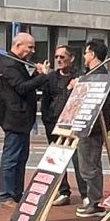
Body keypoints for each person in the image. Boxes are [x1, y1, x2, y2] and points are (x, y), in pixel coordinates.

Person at [0, 32, 49, 205]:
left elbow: (24, 83)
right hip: (14, 118)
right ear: (18, 46)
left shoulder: (17, 64)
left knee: (21, 157)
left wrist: (35, 75)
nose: (32, 51)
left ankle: (17, 192)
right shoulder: (9, 65)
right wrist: (43, 77)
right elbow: (22, 88)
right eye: (30, 47)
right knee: (11, 158)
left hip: (22, 119)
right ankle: (6, 195)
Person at [74, 39, 110, 217]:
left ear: (93, 54)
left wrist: (79, 87)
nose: (84, 56)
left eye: (86, 53)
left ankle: (95, 203)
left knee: (89, 165)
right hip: (88, 125)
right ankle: (94, 200)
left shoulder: (98, 76)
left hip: (91, 127)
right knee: (90, 163)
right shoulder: (94, 74)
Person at [39, 44, 76, 205]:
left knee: (78, 159)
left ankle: (86, 193)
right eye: (57, 57)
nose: (59, 60)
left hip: (72, 124)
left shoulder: (78, 76)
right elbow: (45, 98)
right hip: (53, 122)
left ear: (71, 58)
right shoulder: (51, 77)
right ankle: (63, 191)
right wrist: (46, 118)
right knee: (56, 158)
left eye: (62, 57)